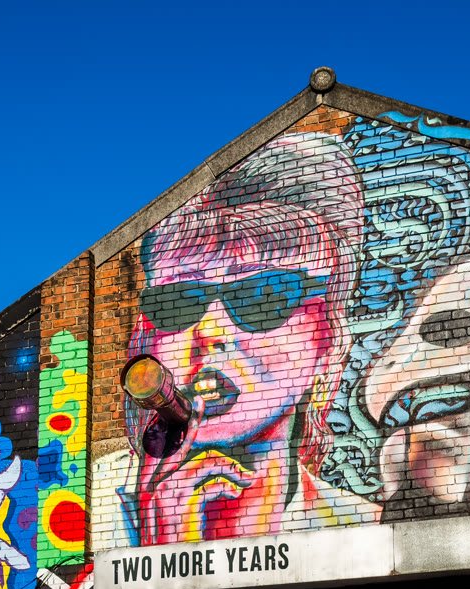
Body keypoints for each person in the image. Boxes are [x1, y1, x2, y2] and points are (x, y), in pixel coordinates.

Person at [123, 130, 374, 545]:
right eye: (178, 301)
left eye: (262, 296)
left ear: (328, 339)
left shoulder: (364, 530)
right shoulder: (78, 515)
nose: (211, 332)